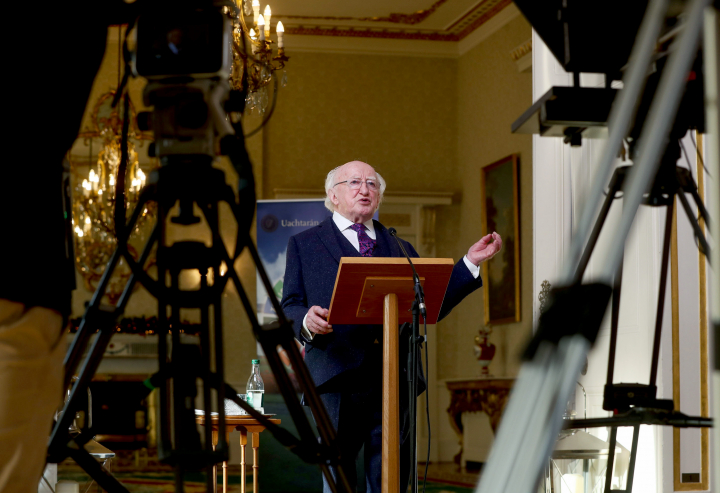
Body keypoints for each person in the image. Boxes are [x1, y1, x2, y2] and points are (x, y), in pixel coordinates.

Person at [280, 160, 502, 492]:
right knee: (338, 477)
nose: (364, 189)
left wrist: (469, 263)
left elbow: (431, 303)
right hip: (334, 375)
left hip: (393, 376)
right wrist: (306, 321)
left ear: (380, 197)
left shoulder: (399, 246)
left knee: (392, 478)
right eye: (354, 182)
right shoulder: (305, 244)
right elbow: (290, 306)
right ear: (333, 195)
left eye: (372, 184)